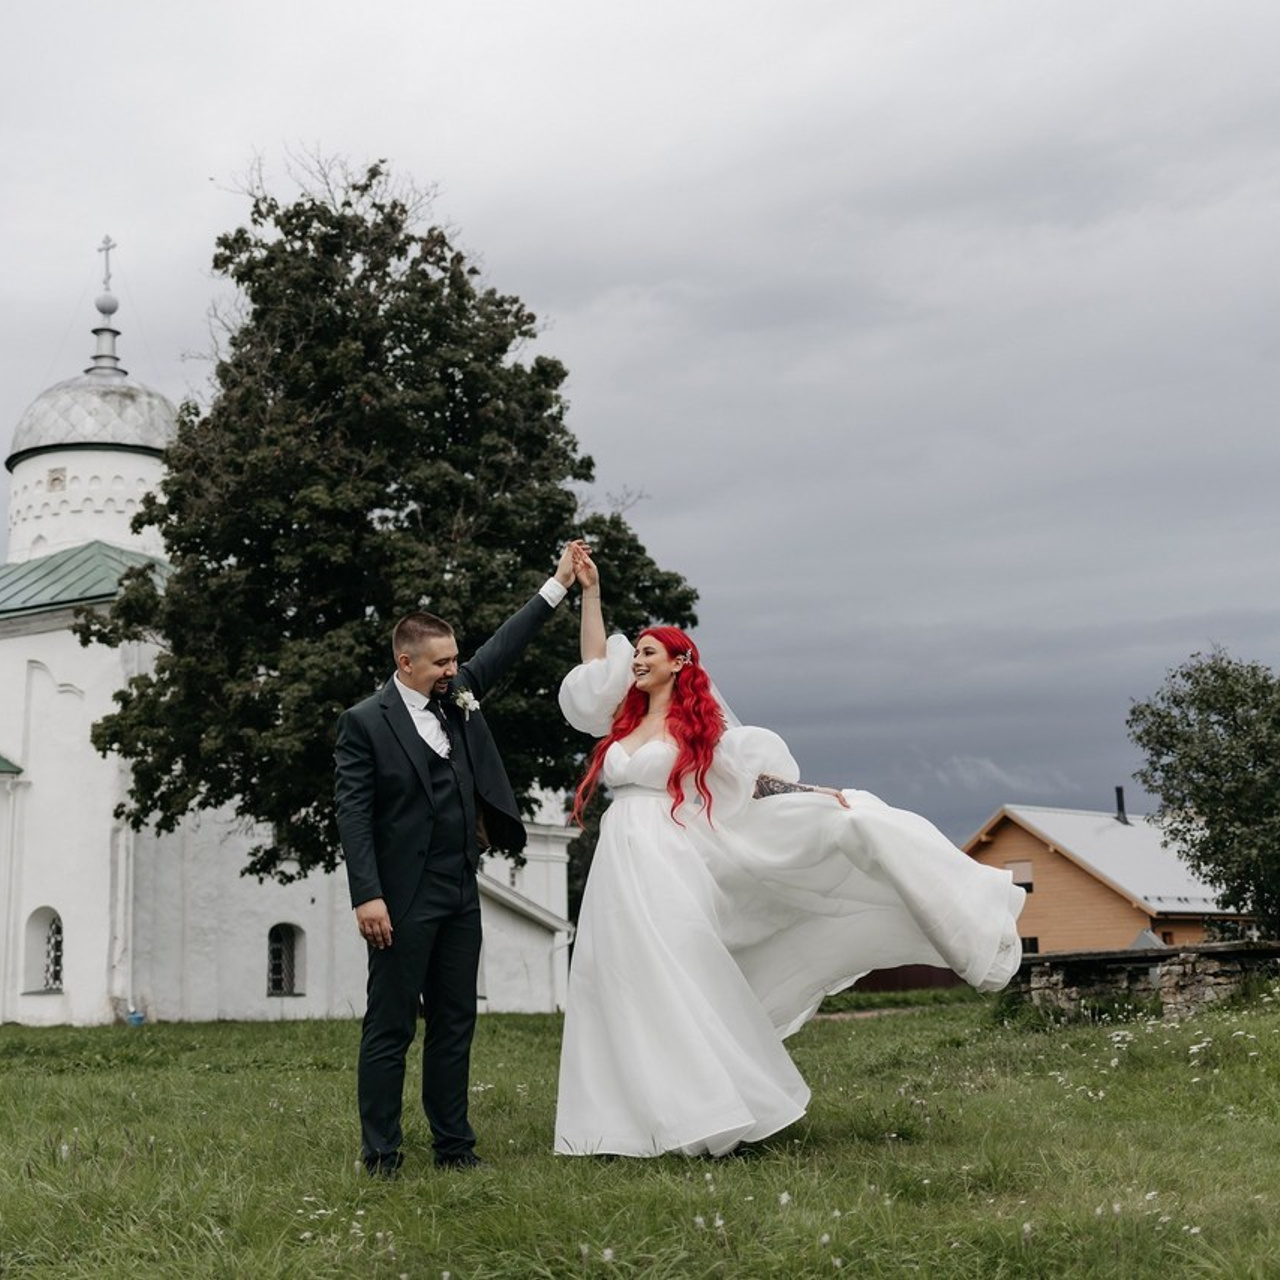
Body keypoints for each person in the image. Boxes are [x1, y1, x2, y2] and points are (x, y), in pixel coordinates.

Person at [554, 548, 1025, 1158]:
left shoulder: (698, 732)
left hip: (667, 858)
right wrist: (588, 593)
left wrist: (821, 797)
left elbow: (754, 784)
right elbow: (594, 664)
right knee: (612, 978)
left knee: (676, 975)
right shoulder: (622, 720)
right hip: (618, 858)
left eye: (648, 653)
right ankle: (621, 1124)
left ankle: (717, 1112)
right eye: (636, 652)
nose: (636, 660)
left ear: (678, 664)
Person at [334, 542, 583, 1175]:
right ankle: (382, 1153)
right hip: (400, 897)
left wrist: (556, 586)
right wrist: (368, 894)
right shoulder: (364, 723)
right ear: (405, 662)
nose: (454, 670)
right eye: (442, 662)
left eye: (454, 660)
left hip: (460, 889)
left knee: (455, 1023)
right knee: (390, 1029)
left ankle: (454, 1148)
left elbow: (504, 645)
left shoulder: (460, 695)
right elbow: (354, 815)